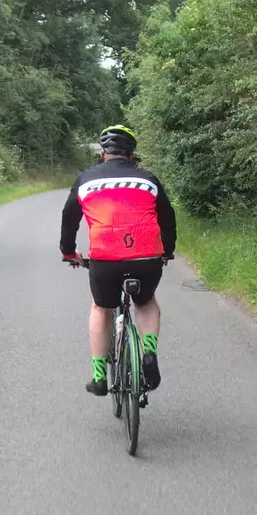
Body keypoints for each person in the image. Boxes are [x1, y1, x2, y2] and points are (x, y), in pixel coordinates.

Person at [60, 125, 176, 396]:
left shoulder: (86, 179)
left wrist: (68, 252)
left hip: (105, 258)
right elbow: (167, 216)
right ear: (131, 155)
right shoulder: (148, 179)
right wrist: (167, 250)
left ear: (102, 154)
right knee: (145, 302)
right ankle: (148, 354)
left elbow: (69, 219)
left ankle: (99, 377)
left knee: (101, 308)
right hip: (148, 256)